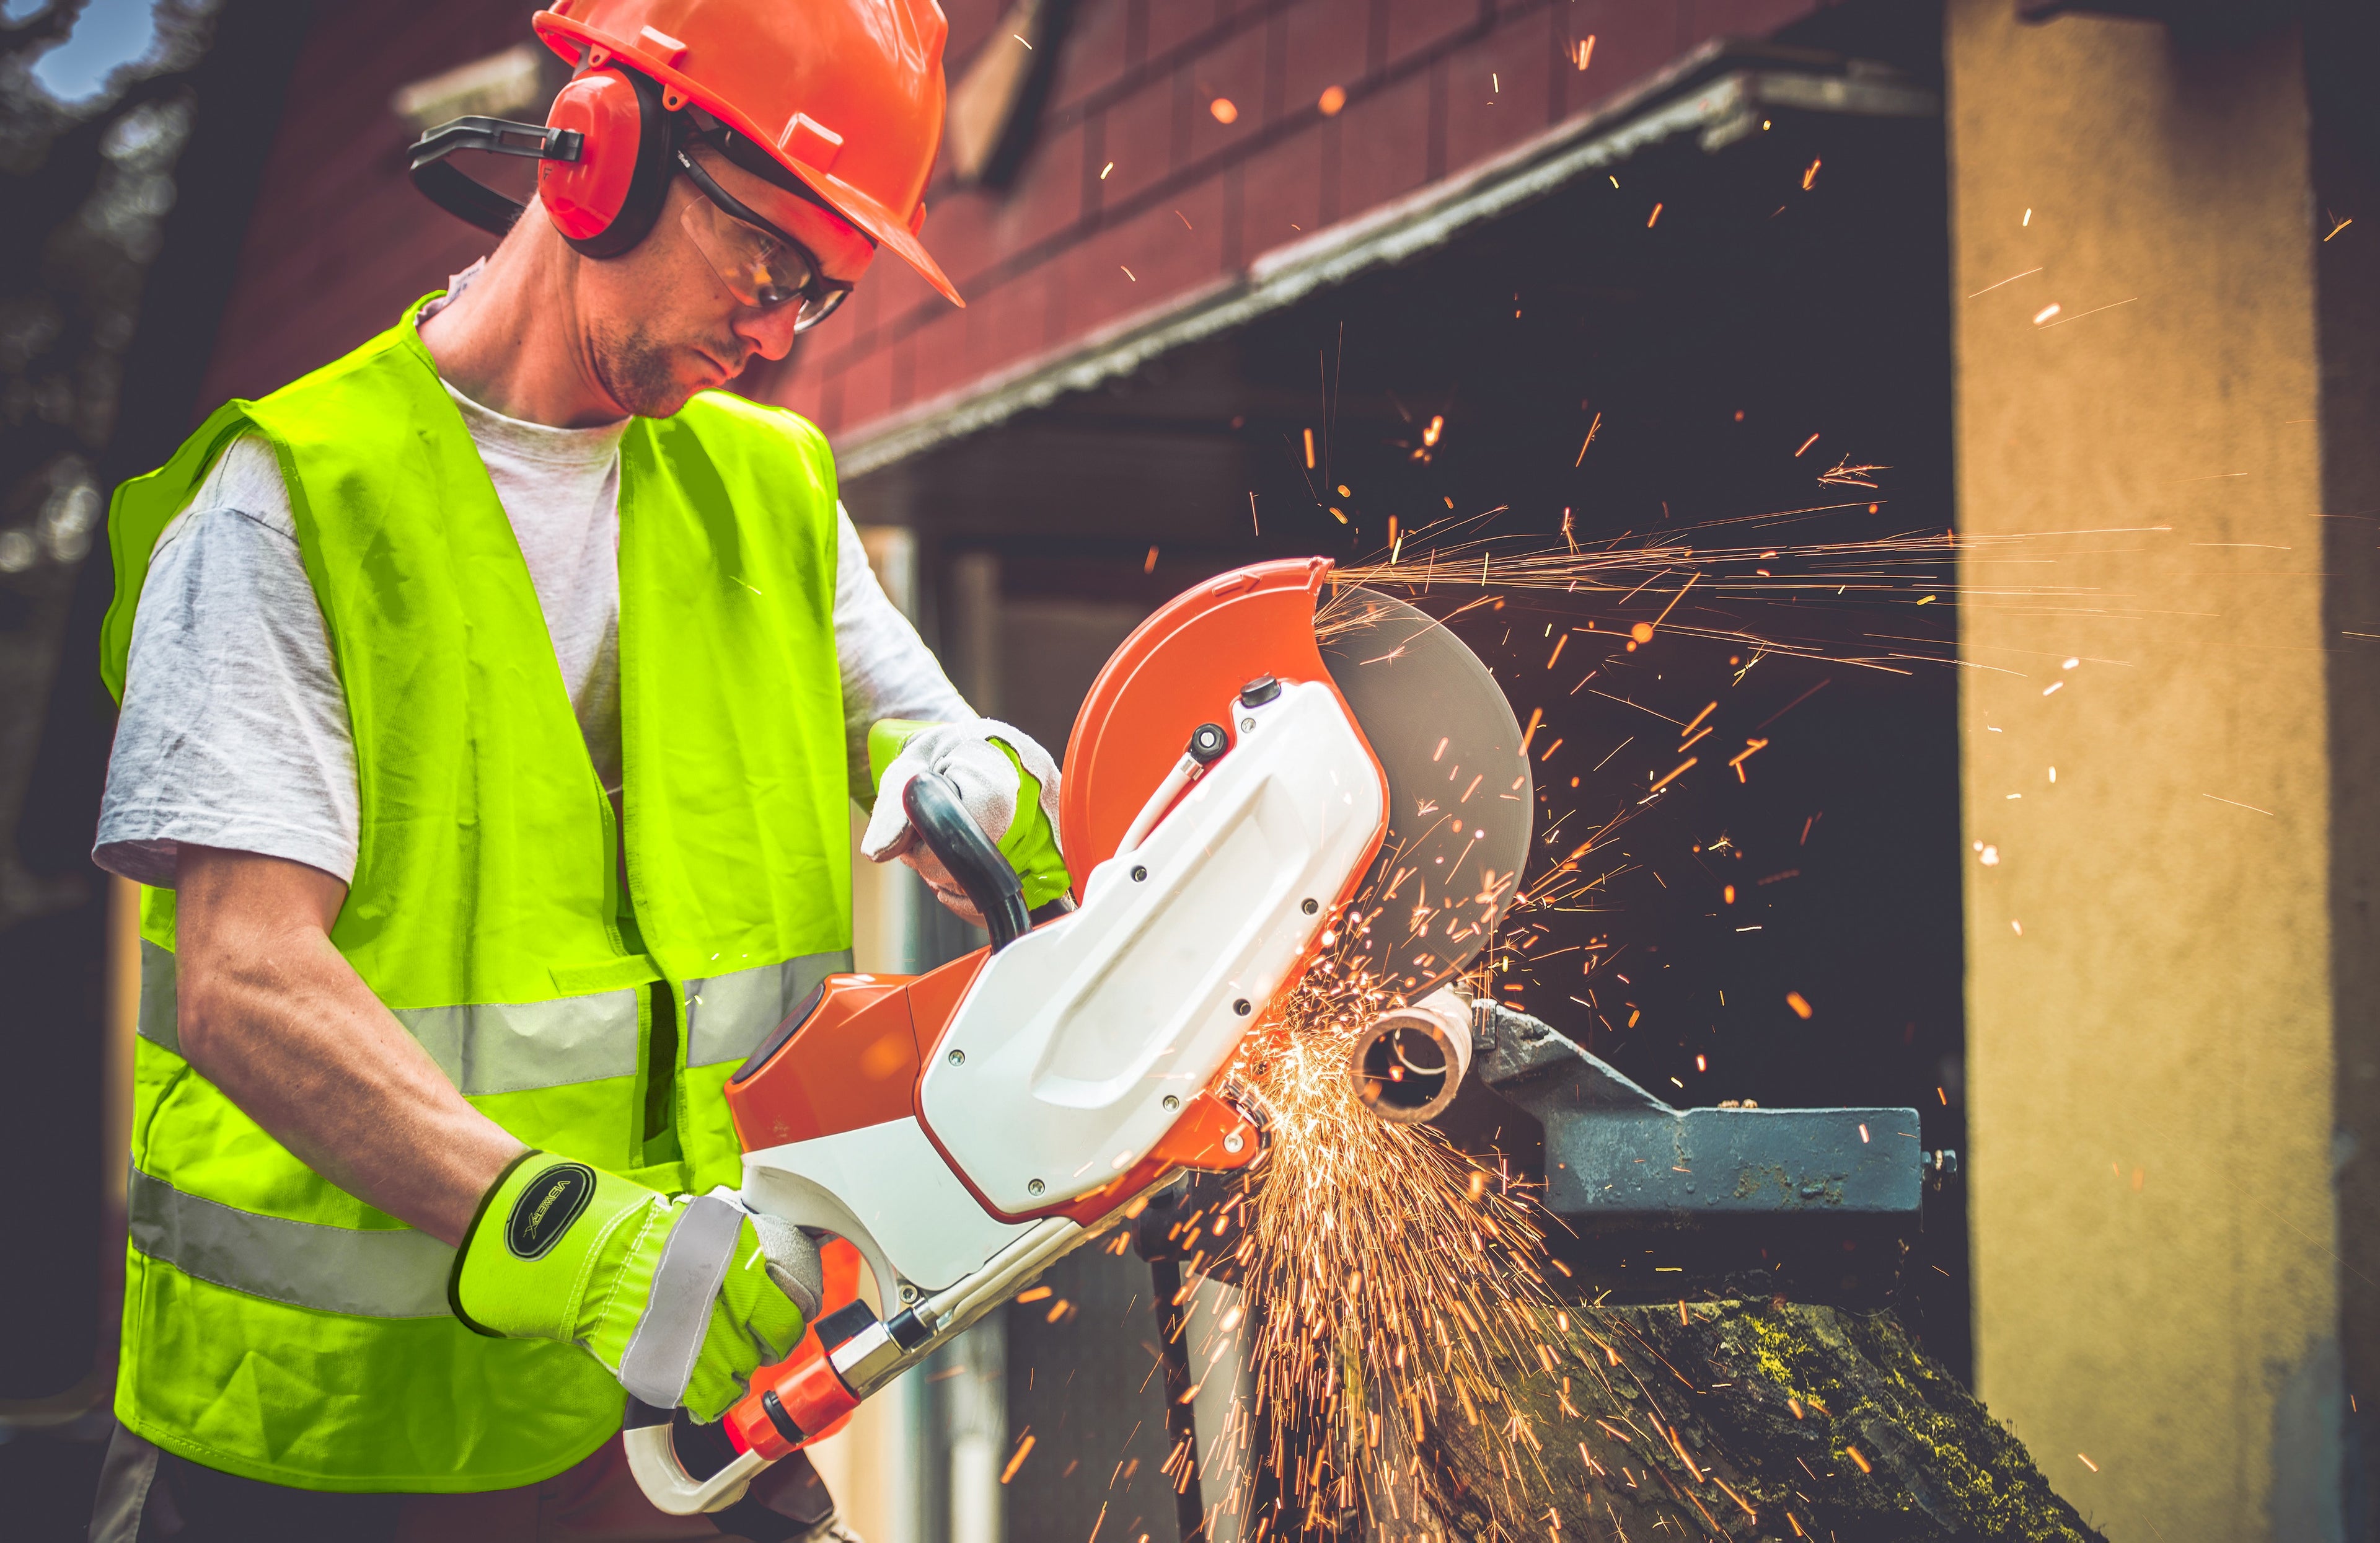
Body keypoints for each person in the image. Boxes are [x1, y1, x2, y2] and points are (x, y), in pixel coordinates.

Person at [82, 2, 1067, 1537]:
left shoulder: (770, 490)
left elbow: (937, 735)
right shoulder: (292, 501)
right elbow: (242, 979)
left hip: (669, 1418)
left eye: (818, 296)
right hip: (322, 1450)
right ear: (602, 158)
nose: (774, 334)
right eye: (768, 270)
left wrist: (990, 780)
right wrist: (588, 1248)